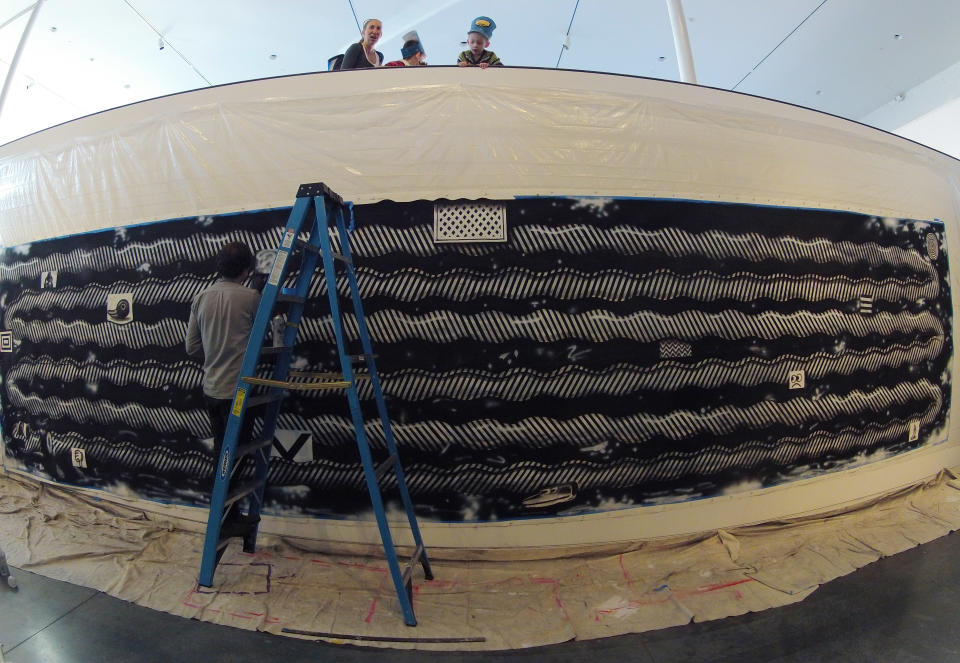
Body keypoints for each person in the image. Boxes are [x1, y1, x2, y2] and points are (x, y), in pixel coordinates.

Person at [185, 242, 260, 510]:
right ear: (245, 268)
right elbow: (263, 341)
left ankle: (221, 509)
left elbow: (192, 347)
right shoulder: (251, 297)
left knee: (222, 451)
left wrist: (216, 351)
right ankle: (227, 511)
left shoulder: (201, 297)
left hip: (212, 389)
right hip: (238, 392)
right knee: (236, 456)